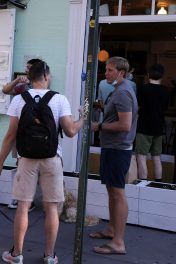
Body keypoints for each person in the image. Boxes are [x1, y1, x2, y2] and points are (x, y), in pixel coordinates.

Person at [0, 61, 84, 264]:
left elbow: (10, 136)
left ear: (30, 78)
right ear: (46, 75)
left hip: (26, 159)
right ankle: (50, 255)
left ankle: (17, 254)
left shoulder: (19, 99)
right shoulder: (59, 99)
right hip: (52, 158)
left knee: (23, 206)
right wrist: (83, 118)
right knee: (51, 208)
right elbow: (70, 131)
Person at [90, 56, 138, 255]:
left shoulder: (123, 93)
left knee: (118, 193)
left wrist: (98, 126)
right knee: (112, 191)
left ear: (121, 73)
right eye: (106, 69)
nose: (106, 73)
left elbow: (125, 125)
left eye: (110, 70)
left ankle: (118, 242)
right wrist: (102, 108)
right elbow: (120, 115)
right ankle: (111, 230)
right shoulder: (122, 89)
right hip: (114, 147)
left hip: (118, 149)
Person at [4, 58, 41, 211]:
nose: (26, 71)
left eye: (29, 68)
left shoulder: (42, 85)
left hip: (37, 133)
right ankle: (24, 199)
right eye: (26, 68)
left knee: (34, 167)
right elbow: (6, 90)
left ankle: (29, 199)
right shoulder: (22, 86)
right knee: (20, 164)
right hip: (20, 132)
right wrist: (18, 80)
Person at [135, 64, 169, 181]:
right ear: (162, 76)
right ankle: (158, 183)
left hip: (144, 127)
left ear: (148, 74)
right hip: (158, 127)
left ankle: (143, 184)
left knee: (141, 157)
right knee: (156, 157)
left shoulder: (142, 89)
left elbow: (137, 107)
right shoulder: (165, 91)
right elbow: (165, 108)